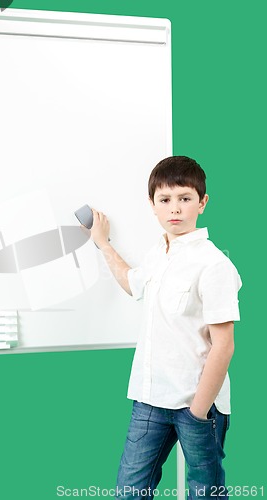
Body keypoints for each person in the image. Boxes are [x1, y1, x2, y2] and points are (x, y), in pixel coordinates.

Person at [89, 156, 242, 500]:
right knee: (130, 492)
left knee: (206, 495)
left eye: (185, 198)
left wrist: (199, 410)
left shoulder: (214, 264)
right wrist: (103, 243)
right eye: (165, 200)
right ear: (153, 206)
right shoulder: (159, 252)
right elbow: (133, 283)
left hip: (197, 405)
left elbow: (224, 345)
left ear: (202, 203)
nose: (175, 208)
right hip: (150, 399)